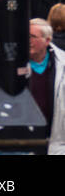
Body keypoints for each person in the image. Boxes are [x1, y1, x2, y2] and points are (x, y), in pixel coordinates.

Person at [27, 18, 65, 153]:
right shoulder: (14, 64)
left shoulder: (61, 63)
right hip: (25, 138)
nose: (27, 40)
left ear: (47, 40)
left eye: (32, 37)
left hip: (56, 139)